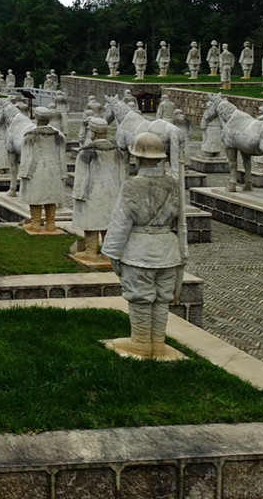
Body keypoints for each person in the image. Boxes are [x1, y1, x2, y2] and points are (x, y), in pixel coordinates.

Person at [101, 132, 186, 360]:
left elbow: (121, 222)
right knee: (161, 298)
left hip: (139, 249)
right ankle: (157, 343)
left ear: (137, 158)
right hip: (167, 250)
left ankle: (141, 343)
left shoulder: (132, 186)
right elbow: (179, 219)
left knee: (140, 297)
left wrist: (112, 253)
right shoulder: (173, 184)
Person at [70, 117, 126, 268]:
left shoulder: (86, 154)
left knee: (91, 224)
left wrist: (78, 194)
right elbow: (123, 176)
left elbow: (82, 177)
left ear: (93, 133)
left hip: (92, 194)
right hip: (112, 194)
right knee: (108, 223)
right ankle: (107, 253)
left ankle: (91, 251)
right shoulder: (118, 152)